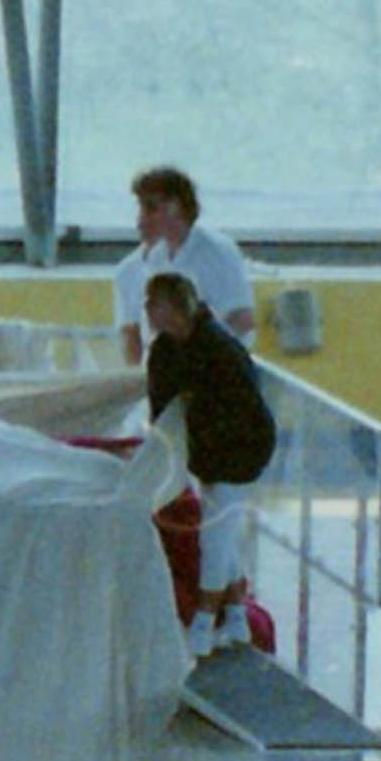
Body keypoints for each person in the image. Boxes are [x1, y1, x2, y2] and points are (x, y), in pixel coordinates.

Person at [141, 271, 277, 627]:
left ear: (171, 308)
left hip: (241, 449)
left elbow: (242, 407)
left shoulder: (220, 349)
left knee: (213, 537)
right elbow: (161, 409)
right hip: (207, 451)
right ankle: (235, 614)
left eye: (151, 305)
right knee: (222, 529)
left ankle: (204, 618)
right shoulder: (166, 351)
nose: (146, 312)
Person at [111, 163, 257, 363]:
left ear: (177, 206)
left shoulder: (219, 252)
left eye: (151, 207)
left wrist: (196, 356)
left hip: (218, 370)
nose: (142, 218)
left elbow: (243, 319)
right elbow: (131, 338)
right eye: (141, 207)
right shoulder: (131, 270)